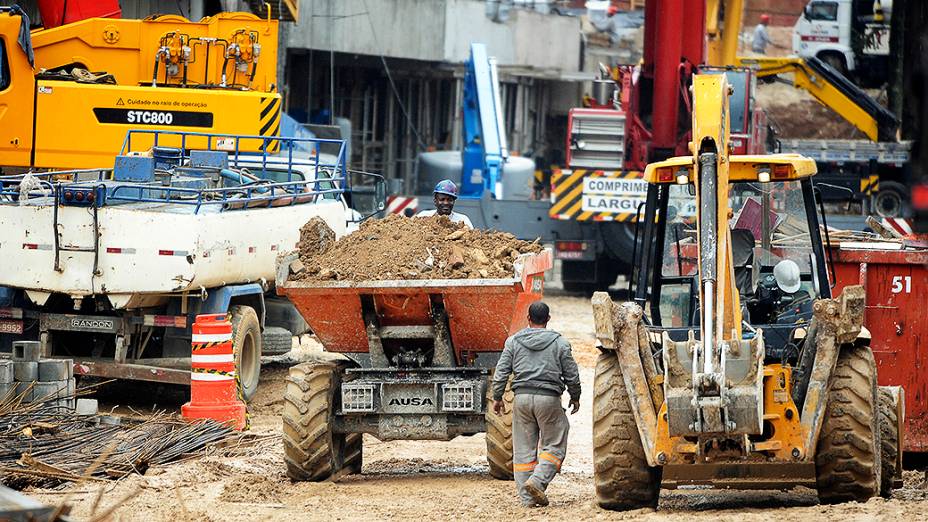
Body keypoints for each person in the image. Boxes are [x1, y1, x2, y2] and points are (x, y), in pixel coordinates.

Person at [491, 301, 581, 508]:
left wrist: (497, 397)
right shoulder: (560, 343)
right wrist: (575, 396)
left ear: (528, 319)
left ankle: (527, 499)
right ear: (548, 319)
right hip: (549, 399)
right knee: (555, 443)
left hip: (521, 399)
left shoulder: (513, 342)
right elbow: (572, 375)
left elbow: (502, 371)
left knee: (523, 450)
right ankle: (538, 481)